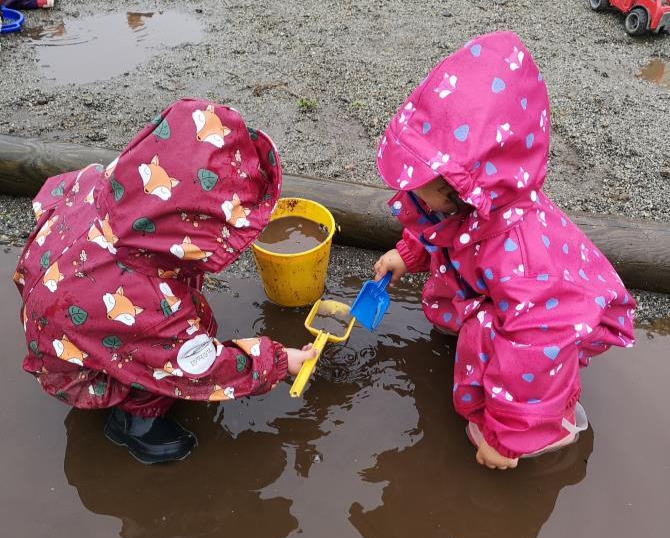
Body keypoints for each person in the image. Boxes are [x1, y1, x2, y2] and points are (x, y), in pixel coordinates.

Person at [373, 30, 635, 470]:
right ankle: (489, 354)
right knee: (495, 327)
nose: (413, 197)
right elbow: (440, 226)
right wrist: (409, 253)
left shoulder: (521, 260)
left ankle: (549, 431)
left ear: (468, 191)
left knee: (520, 359)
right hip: (511, 297)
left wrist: (507, 437)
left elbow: (535, 350)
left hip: (553, 322)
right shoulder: (465, 207)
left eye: (425, 190)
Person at [13, 98, 316, 464]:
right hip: (70, 366)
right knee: (183, 340)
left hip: (53, 305)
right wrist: (279, 361)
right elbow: (200, 367)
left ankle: (111, 364)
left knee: (176, 309)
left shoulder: (96, 183)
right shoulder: (150, 307)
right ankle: (136, 425)